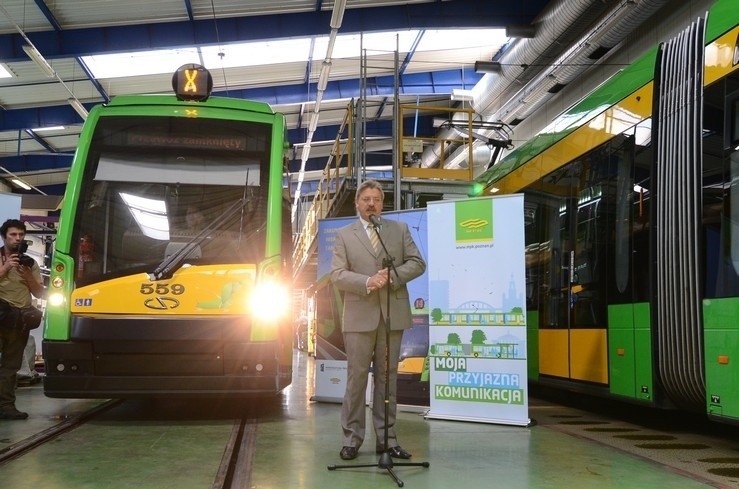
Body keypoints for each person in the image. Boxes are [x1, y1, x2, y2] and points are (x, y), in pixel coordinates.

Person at [330, 180, 426, 461]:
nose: (371, 203)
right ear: (357, 203)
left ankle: (387, 439)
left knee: (388, 380)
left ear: (382, 204)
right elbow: (337, 274)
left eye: (376, 199)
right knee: (356, 380)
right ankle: (352, 438)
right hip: (359, 317)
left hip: (391, 315)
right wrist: (368, 281)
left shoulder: (398, 230)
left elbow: (417, 262)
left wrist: (392, 278)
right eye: (366, 199)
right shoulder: (344, 235)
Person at [0, 219, 45, 420]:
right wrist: (5, 268)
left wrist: (27, 275)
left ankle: (6, 407)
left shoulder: (30, 264)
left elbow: (40, 293)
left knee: (11, 367)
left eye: (20, 235)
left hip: (18, 321)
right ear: (4, 237)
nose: (17, 238)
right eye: (13, 235)